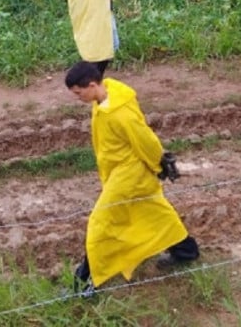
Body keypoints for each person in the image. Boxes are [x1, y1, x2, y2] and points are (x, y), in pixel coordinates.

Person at [65, 61, 200, 295]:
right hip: (119, 172)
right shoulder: (103, 100)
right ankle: (186, 251)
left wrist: (159, 163)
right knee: (154, 212)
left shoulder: (120, 112)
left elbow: (144, 139)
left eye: (78, 93)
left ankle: (85, 281)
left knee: (101, 222)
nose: (78, 98)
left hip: (130, 175)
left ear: (92, 85)